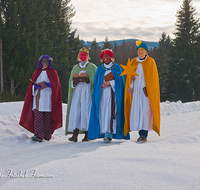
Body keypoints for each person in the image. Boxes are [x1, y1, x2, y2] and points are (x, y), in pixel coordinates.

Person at [87, 49, 130, 143]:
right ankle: (103, 132)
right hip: (102, 95)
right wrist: (101, 85)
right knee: (103, 112)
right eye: (103, 56)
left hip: (112, 94)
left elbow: (120, 82)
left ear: (111, 57)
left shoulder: (116, 67)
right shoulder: (100, 68)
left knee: (111, 113)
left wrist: (110, 83)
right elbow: (97, 82)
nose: (105, 58)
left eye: (107, 56)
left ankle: (109, 133)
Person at [123, 40, 160, 143]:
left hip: (146, 88)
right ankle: (139, 131)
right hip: (136, 88)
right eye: (139, 50)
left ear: (146, 51)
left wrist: (150, 89)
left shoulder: (150, 62)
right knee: (137, 110)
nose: (140, 51)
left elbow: (153, 77)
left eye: (142, 50)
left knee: (145, 110)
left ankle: (143, 135)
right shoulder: (133, 62)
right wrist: (130, 85)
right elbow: (130, 76)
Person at [19, 55, 62, 142]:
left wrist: (50, 85)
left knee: (47, 117)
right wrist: (35, 86)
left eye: (46, 61)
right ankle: (38, 135)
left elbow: (57, 86)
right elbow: (31, 85)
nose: (45, 63)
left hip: (48, 98)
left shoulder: (53, 72)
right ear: (40, 62)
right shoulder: (37, 72)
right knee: (38, 117)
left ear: (49, 62)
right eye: (43, 61)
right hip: (38, 97)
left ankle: (46, 135)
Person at [65, 48, 97, 142]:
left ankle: (87, 135)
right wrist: (74, 83)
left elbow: (95, 81)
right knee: (76, 111)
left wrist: (88, 81)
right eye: (81, 55)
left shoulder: (92, 67)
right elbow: (71, 81)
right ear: (79, 56)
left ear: (88, 56)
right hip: (77, 92)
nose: (83, 57)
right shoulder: (75, 67)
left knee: (86, 111)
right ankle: (75, 135)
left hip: (87, 92)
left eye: (85, 55)